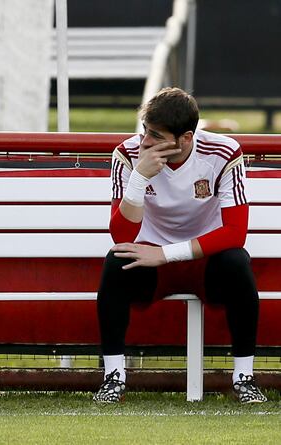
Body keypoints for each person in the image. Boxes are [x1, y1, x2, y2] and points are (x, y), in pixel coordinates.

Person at [93, 87, 266, 404]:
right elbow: (121, 235)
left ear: (186, 138)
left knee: (237, 262)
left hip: (206, 260)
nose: (145, 141)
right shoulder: (128, 154)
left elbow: (235, 233)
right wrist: (139, 180)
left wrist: (166, 253)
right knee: (116, 261)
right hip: (150, 262)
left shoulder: (224, 153)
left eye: (156, 136)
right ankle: (113, 376)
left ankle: (244, 377)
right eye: (145, 130)